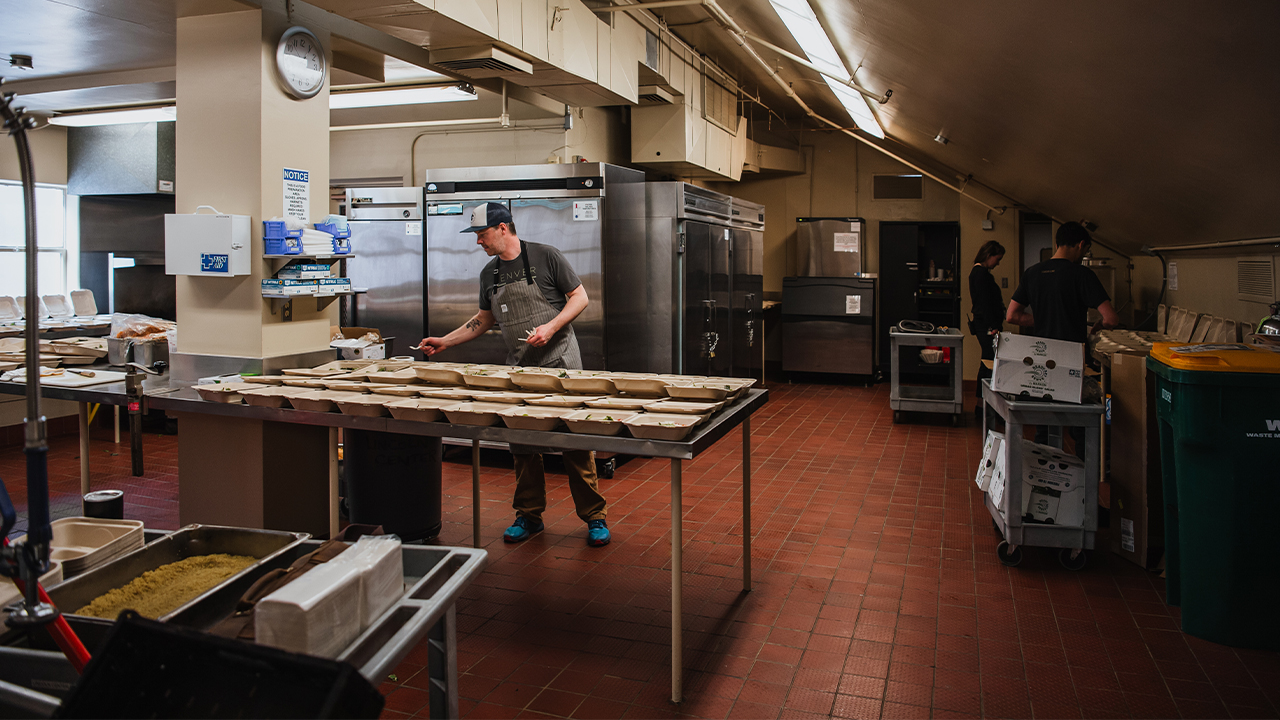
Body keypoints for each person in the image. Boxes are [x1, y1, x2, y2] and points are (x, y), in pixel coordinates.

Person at [418, 202, 610, 547]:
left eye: (482, 234)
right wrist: (445, 341)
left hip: (561, 364)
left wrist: (551, 328)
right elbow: (483, 319)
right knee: (522, 445)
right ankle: (529, 515)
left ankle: (595, 517)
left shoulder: (546, 257)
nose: (478, 241)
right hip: (521, 368)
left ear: (503, 228)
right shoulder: (488, 274)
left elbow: (580, 298)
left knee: (575, 442)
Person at [1006, 221, 1120, 457]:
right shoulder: (1082, 274)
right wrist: (1098, 326)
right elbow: (1111, 318)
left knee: (1044, 427)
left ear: (1056, 243)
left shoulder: (1032, 273)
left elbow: (1012, 316)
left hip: (1040, 360)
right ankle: (1080, 482)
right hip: (1072, 361)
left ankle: (1044, 479)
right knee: (1080, 427)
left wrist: (1044, 318)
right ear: (1081, 245)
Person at [968, 240, 1005, 417]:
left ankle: (982, 405)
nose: (998, 263)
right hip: (987, 326)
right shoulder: (982, 274)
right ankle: (984, 406)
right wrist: (994, 326)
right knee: (989, 364)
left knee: (988, 362)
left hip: (984, 325)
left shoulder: (977, 273)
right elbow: (986, 304)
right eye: (997, 259)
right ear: (989, 256)